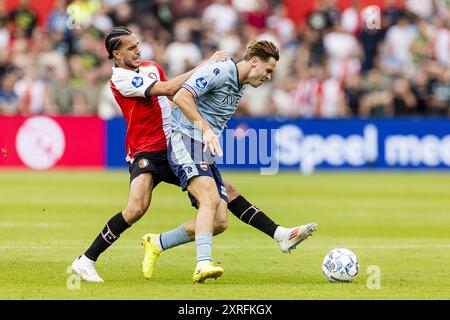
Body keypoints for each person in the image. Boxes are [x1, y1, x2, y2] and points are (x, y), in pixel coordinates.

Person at [71, 27, 317, 283]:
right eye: (131, 47)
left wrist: (194, 113)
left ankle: (162, 242)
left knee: (222, 211)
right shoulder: (120, 79)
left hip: (174, 143)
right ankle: (86, 260)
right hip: (147, 149)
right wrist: (207, 66)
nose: (138, 50)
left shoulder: (151, 67)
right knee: (136, 209)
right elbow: (170, 90)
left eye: (138, 45)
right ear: (116, 53)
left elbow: (175, 98)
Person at [141, 40, 317, 284]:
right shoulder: (220, 71)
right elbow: (181, 96)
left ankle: (157, 242)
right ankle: (202, 263)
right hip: (185, 140)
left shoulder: (239, 84)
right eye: (268, 70)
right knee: (210, 198)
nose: (268, 76)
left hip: (203, 148)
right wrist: (205, 129)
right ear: (254, 61)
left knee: (220, 220)